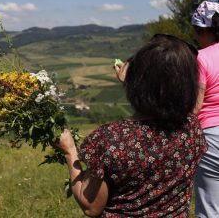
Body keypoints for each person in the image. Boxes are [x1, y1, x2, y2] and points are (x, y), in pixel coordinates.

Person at [58, 34, 207, 217]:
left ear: (138, 82)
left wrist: (69, 151)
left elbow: (91, 206)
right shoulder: (191, 129)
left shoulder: (111, 139)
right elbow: (172, 101)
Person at [191, 0, 219, 218]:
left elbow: (196, 106)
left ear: (204, 31)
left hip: (211, 138)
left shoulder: (201, 58)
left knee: (210, 208)